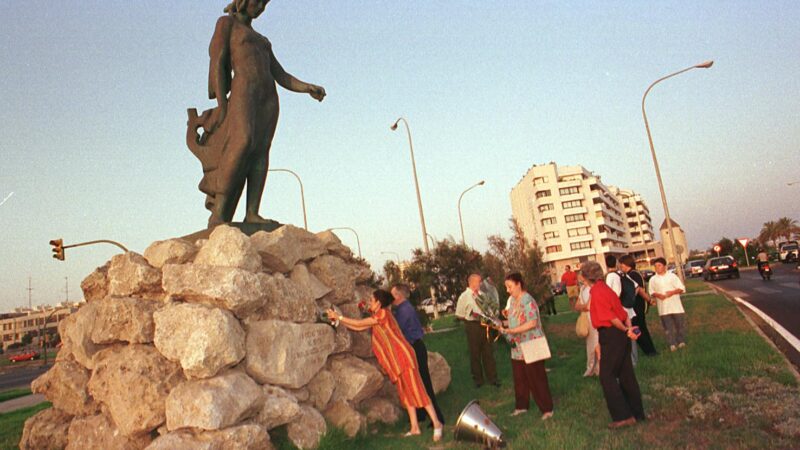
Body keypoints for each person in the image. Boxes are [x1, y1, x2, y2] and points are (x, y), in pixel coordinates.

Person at [190, 0, 326, 226]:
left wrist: (306, 87)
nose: (261, 7)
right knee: (242, 142)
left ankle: (252, 212)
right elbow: (218, 61)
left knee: (261, 150)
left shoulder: (263, 41)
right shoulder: (227, 24)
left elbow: (280, 74)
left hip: (268, 98)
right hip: (244, 92)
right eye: (258, 1)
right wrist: (223, 105)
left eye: (265, 3)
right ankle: (220, 212)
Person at [327, 289, 443, 441]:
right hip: (396, 361)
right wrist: (340, 318)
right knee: (406, 393)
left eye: (372, 300)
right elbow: (359, 327)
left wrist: (339, 317)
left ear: (379, 303)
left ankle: (437, 423)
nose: (369, 302)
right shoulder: (379, 314)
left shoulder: (382, 314)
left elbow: (361, 323)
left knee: (417, 390)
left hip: (403, 358)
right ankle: (415, 428)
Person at [580, 261, 645, 429]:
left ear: (585, 277)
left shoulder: (597, 292)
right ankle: (638, 413)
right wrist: (628, 328)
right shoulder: (606, 289)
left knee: (606, 376)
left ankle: (623, 416)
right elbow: (623, 313)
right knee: (626, 374)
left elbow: (611, 318)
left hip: (612, 334)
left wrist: (625, 330)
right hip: (618, 335)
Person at [499, 273, 554, 419]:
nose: (508, 290)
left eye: (509, 286)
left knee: (537, 377)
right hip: (518, 347)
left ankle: (547, 409)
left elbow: (532, 322)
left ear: (518, 284)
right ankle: (521, 406)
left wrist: (512, 330)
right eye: (506, 287)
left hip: (531, 343)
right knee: (520, 378)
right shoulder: (512, 300)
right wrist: (502, 325)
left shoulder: (527, 300)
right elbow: (513, 319)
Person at [390, 284, 445, 426]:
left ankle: (437, 418)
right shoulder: (403, 308)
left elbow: (397, 329)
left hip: (415, 348)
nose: (391, 298)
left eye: (392, 295)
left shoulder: (404, 311)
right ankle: (421, 414)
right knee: (416, 381)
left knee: (424, 383)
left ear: (398, 296)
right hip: (414, 347)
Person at [455, 273, 499, 388]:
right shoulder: (464, 296)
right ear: (472, 282)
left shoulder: (482, 294)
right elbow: (459, 314)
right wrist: (470, 317)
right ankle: (478, 380)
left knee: (488, 351)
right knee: (475, 353)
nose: (480, 284)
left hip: (485, 325)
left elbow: (489, 309)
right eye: (479, 281)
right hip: (472, 326)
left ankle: (493, 378)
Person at [618, 255, 658, 358]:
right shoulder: (633, 273)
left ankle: (650, 351)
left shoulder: (632, 274)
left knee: (639, 329)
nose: (620, 266)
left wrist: (648, 300)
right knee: (641, 328)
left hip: (637, 306)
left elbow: (638, 289)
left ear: (626, 264)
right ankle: (650, 350)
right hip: (637, 306)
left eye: (621, 264)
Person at [648, 257, 687, 352]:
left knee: (679, 325)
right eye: (655, 266)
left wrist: (672, 292)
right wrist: (658, 295)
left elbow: (681, 288)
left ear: (664, 266)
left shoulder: (672, 276)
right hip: (663, 308)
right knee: (668, 328)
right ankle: (672, 344)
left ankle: (681, 341)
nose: (657, 268)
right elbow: (651, 291)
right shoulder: (653, 279)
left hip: (676, 306)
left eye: (659, 265)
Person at [575, 271, 599, 376]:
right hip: (587, 319)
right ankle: (591, 368)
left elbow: (588, 306)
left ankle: (597, 369)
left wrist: (583, 306)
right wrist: (583, 306)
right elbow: (577, 306)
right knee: (590, 345)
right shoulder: (582, 289)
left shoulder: (592, 289)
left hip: (595, 319)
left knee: (596, 344)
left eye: (582, 279)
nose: (580, 281)